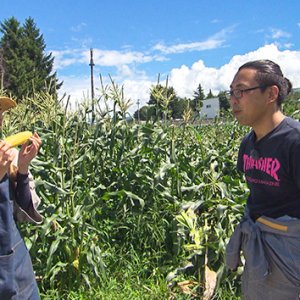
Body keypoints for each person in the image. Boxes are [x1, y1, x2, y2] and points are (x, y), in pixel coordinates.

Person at [225, 60, 300, 299]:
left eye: (241, 91)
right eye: (231, 92)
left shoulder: (294, 141)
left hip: (290, 253)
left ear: (271, 94)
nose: (233, 99)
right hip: (259, 248)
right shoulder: (248, 143)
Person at [0, 96, 42, 299]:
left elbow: (26, 210)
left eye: (0, 112)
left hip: (17, 265)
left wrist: (23, 167)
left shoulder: (11, 155)